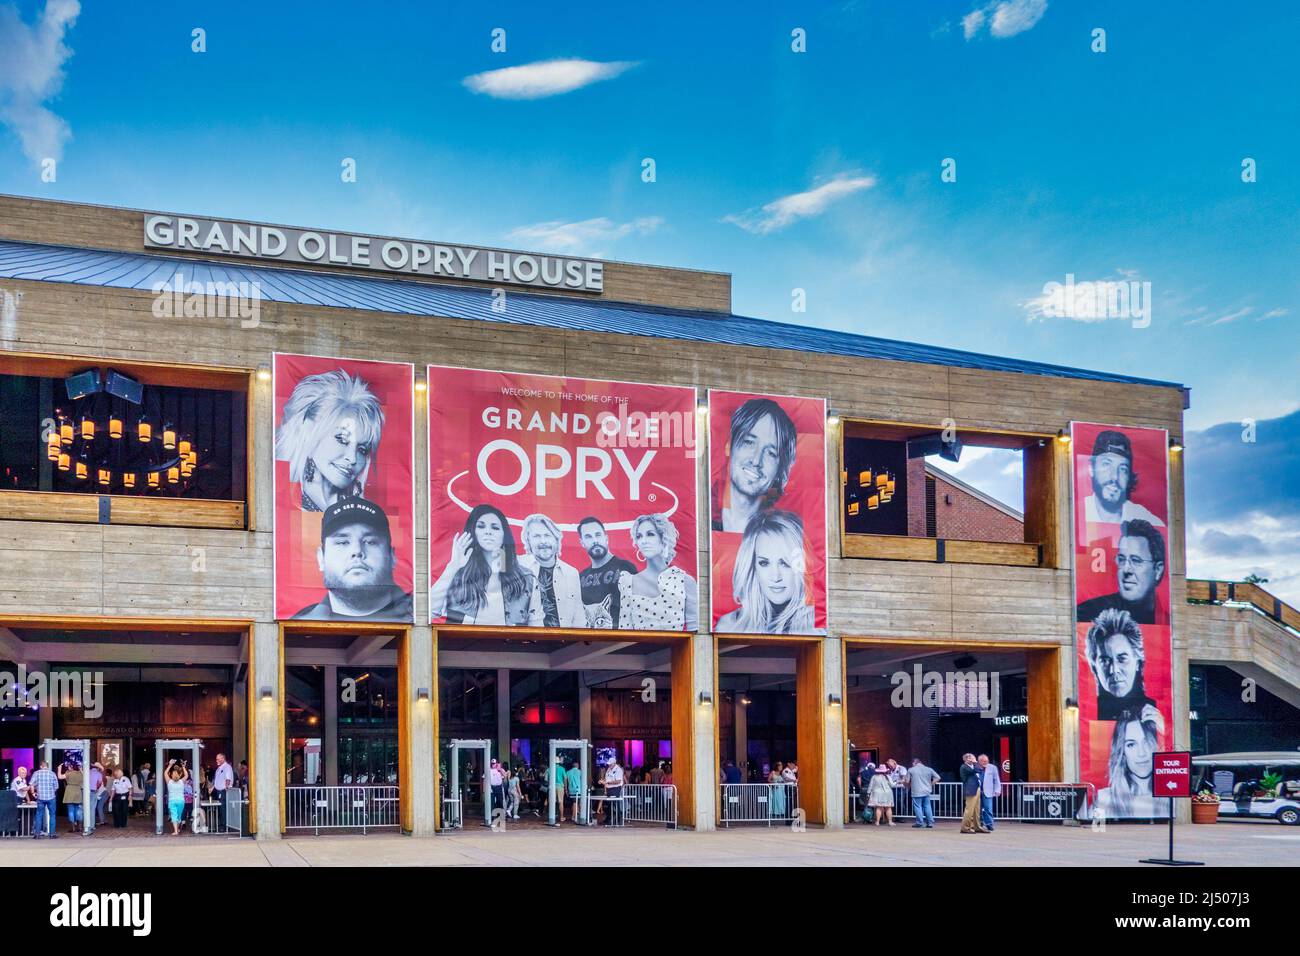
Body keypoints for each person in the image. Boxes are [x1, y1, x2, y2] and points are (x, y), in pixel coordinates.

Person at [275, 368, 385, 512]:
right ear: (309, 431)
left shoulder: (366, 515)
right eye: (342, 439)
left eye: (362, 449)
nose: (352, 459)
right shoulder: (281, 500)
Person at [293, 497, 413, 620]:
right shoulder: (296, 625)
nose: (357, 551)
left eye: (370, 542)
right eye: (342, 542)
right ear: (321, 558)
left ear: (392, 557)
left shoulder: (422, 614)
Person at [715, 510, 821, 635]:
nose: (775, 577)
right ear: (752, 566)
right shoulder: (729, 625)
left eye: (785, 563)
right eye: (764, 563)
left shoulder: (817, 626)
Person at [430, 503, 534, 625]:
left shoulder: (525, 578)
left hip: (511, 643)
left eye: (495, 527)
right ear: (473, 532)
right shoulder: (458, 575)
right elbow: (429, 611)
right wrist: (453, 566)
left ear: (504, 535)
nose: (488, 532)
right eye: (481, 526)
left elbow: (536, 624)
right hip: (464, 642)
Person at [713, 397, 798, 533]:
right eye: (749, 442)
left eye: (771, 453)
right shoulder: (699, 510)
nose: (757, 461)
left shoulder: (785, 534)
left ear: (780, 469)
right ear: (729, 445)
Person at [617, 513, 699, 631]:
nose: (643, 541)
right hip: (637, 648)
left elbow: (695, 630)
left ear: (663, 539)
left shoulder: (685, 581)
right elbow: (624, 629)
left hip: (675, 648)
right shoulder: (628, 582)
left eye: (650, 534)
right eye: (639, 536)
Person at [1076, 520, 1167, 626]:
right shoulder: (1088, 614)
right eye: (1122, 559)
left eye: (1136, 560)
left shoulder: (1169, 623)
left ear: (1158, 570)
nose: (1126, 569)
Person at [1096, 705, 1166, 820]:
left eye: (1147, 742)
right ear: (1122, 752)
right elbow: (1096, 830)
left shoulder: (1173, 799)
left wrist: (1164, 733)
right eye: (1131, 744)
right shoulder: (1104, 799)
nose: (1141, 753)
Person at [1082, 430, 1164, 529]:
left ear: (1129, 476)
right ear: (1091, 468)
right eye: (1106, 464)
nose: (1115, 476)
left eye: (1122, 469)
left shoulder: (1146, 521)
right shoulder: (1077, 513)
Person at [518, 513, 587, 628]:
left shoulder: (571, 573)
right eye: (537, 536)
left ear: (556, 539)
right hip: (527, 642)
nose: (543, 541)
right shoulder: (517, 566)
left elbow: (578, 618)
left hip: (564, 643)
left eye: (547, 535)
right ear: (528, 540)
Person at [1086, 608, 1157, 719]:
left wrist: (1161, 731)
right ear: (1094, 667)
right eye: (1105, 661)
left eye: (1122, 659)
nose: (1114, 670)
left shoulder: (1154, 713)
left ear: (1137, 662)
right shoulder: (1086, 713)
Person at [576, 516, 637, 628]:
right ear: (582, 542)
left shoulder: (625, 567)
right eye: (588, 537)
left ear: (606, 537)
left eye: (598, 535)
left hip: (621, 639)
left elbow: (637, 608)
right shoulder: (580, 577)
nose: (595, 541)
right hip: (589, 641)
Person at [906, 758, 940, 828]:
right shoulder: (929, 769)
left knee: (918, 806)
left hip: (916, 791)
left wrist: (904, 782)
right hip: (927, 790)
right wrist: (931, 784)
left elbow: (907, 781)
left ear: (914, 763)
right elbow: (938, 777)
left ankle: (919, 822)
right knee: (927, 806)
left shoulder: (911, 770)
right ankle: (930, 822)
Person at [959, 753, 988, 834]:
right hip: (970, 789)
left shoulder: (972, 766)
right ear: (967, 759)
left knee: (976, 809)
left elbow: (979, 770)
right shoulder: (964, 767)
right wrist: (975, 763)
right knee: (969, 809)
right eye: (972, 758)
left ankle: (977, 826)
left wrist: (975, 763)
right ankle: (965, 827)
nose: (974, 759)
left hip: (976, 788)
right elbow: (977, 770)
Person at [29, 761, 58, 839]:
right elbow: (56, 787)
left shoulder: (36, 773)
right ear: (47, 766)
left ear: (41, 766)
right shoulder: (52, 774)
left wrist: (33, 793)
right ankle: (52, 834)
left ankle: (37, 834)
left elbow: (31, 784)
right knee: (52, 815)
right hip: (51, 797)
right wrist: (51, 792)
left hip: (40, 798)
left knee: (39, 815)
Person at [210, 753, 235, 833]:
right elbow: (217, 780)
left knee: (223, 808)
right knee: (220, 808)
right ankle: (222, 824)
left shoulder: (227, 767)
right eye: (216, 759)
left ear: (223, 758)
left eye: (218, 759)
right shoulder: (219, 768)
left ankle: (224, 826)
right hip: (218, 791)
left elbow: (228, 778)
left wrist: (227, 788)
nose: (216, 760)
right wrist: (212, 787)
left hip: (223, 791)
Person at [164, 760, 189, 836]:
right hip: (181, 801)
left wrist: (170, 765)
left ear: (171, 775)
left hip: (172, 801)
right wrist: (183, 767)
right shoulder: (182, 781)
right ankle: (177, 829)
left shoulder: (169, 781)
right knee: (179, 815)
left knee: (174, 815)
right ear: (179, 775)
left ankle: (176, 831)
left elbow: (165, 773)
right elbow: (186, 775)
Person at [978, 754, 1002, 831]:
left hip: (988, 791)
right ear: (979, 761)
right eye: (984, 761)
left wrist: (997, 790)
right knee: (978, 809)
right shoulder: (975, 767)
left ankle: (989, 824)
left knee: (988, 808)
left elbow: (996, 780)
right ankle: (979, 823)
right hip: (977, 791)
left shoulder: (993, 768)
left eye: (987, 761)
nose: (986, 762)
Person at [59, 761, 84, 834]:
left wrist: (59, 769)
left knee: (70, 810)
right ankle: (79, 827)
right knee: (78, 809)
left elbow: (60, 776)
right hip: (78, 791)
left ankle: (72, 827)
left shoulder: (68, 773)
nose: (68, 767)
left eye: (69, 766)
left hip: (69, 791)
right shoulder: (80, 774)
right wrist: (81, 770)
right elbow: (85, 778)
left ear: (71, 767)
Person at [602, 755, 625, 826]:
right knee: (609, 804)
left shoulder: (618, 770)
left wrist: (608, 782)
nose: (609, 765)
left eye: (610, 764)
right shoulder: (609, 769)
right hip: (609, 788)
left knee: (615, 804)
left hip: (616, 788)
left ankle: (618, 819)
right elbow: (607, 779)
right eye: (609, 764)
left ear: (614, 763)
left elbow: (618, 781)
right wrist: (603, 781)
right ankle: (608, 819)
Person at [564, 759, 584, 824]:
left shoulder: (568, 772)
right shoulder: (580, 772)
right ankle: (574, 816)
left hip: (571, 789)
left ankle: (575, 815)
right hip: (578, 790)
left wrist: (566, 790)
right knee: (576, 803)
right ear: (577, 766)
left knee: (574, 802)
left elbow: (566, 782)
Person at [89, 762, 107, 831]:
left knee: (86, 808)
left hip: (85, 791)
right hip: (94, 791)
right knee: (92, 808)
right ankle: (92, 825)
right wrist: (96, 789)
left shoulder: (86, 772)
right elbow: (100, 783)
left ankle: (85, 824)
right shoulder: (99, 774)